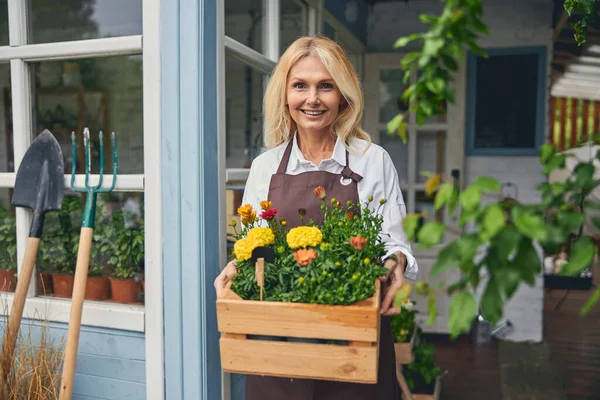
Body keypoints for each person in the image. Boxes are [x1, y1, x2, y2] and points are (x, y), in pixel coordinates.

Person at [214, 35, 418, 400]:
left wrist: (396, 261)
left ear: (342, 95)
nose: (312, 98)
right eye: (300, 86)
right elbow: (255, 245)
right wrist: (236, 265)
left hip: (355, 342)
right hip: (279, 346)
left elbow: (394, 239)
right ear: (285, 94)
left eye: (325, 86)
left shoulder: (372, 160)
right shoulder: (264, 168)